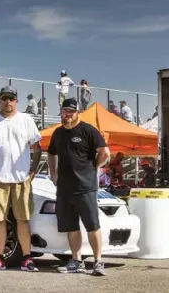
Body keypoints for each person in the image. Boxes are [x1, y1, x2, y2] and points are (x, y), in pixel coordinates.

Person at [0, 85, 42, 272]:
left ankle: (27, 258)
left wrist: (32, 173)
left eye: (11, 98)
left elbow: (38, 147)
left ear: (16, 101)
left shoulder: (26, 119)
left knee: (23, 219)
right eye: (4, 98)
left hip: (21, 179)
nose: (8, 102)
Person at [47, 98, 110, 276]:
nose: (67, 114)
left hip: (85, 187)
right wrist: (53, 173)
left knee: (92, 225)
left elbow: (105, 152)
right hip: (64, 188)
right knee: (71, 226)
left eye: (71, 111)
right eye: (65, 111)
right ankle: (76, 261)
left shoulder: (88, 130)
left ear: (78, 113)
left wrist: (93, 167)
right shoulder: (57, 133)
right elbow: (51, 153)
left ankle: (98, 262)